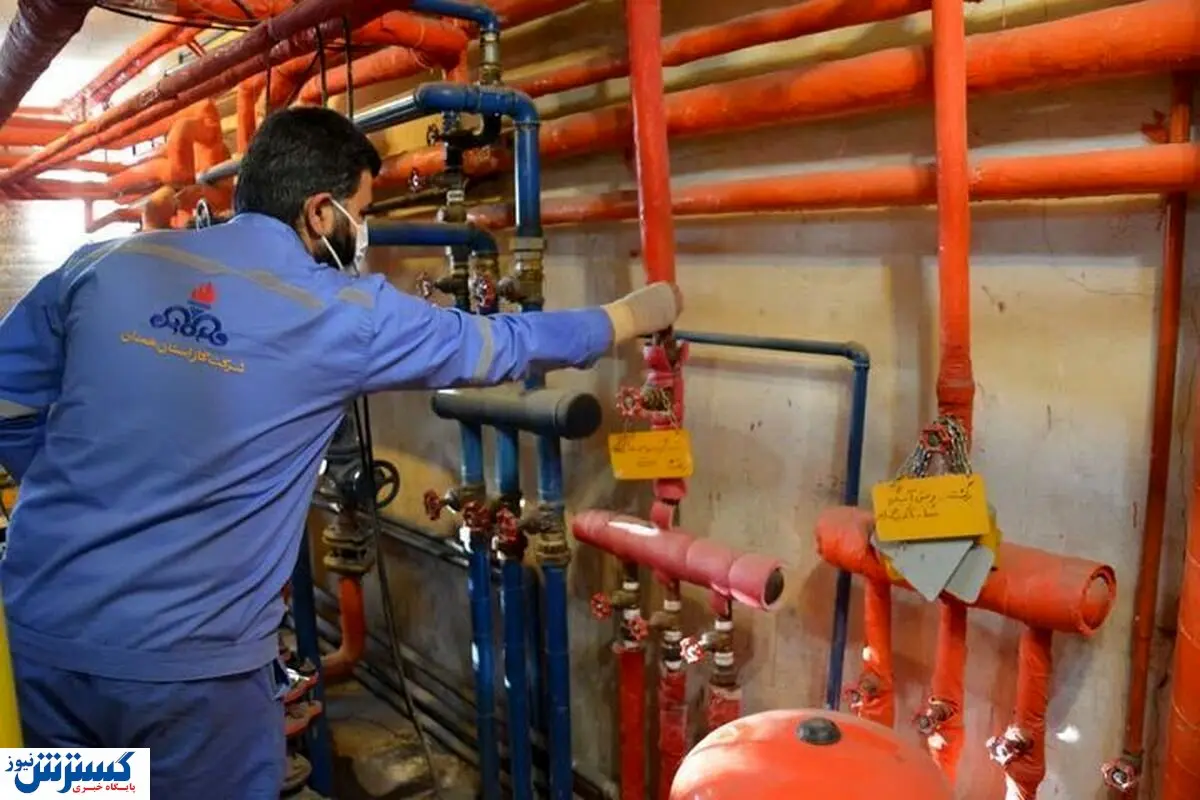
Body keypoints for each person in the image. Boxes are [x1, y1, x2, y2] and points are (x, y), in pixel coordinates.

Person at [0, 107, 681, 798]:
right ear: (320, 212)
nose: (366, 231)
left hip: (40, 629)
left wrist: (78, 498)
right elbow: (498, 345)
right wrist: (625, 317)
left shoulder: (104, 264)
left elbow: (7, 402)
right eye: (364, 211)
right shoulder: (343, 314)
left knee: (77, 794)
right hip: (190, 673)